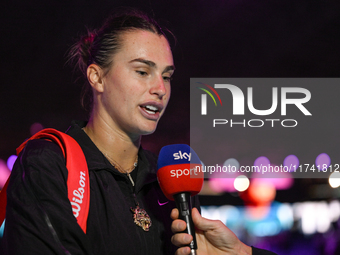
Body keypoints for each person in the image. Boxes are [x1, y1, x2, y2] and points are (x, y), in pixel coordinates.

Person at [1, 8, 276, 255]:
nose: (161, 89)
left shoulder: (168, 177)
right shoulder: (49, 163)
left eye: (166, 76)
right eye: (143, 72)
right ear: (97, 77)